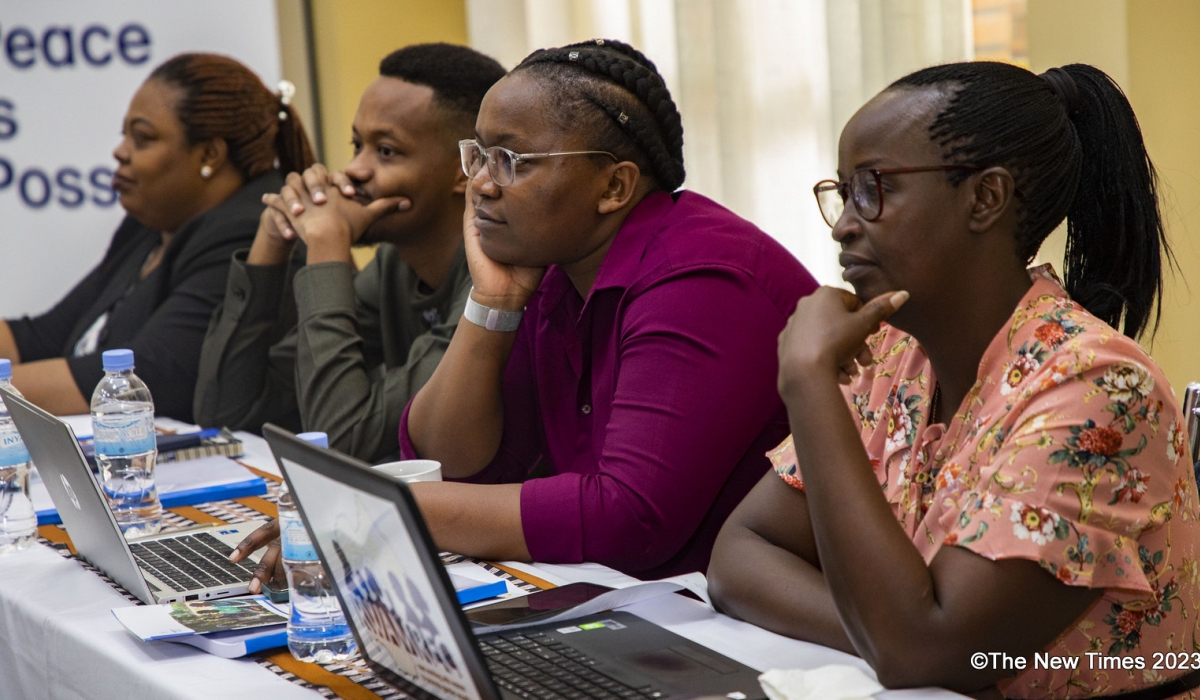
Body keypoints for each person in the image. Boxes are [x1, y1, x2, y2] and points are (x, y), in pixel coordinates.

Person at [231, 38, 817, 589]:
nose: (480, 184)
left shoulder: (701, 275)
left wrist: (375, 508)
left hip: (761, 636)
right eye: (478, 155)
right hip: (641, 604)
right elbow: (450, 464)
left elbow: (630, 516)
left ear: (613, 186)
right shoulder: (552, 266)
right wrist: (493, 302)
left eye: (511, 160)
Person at [707, 61, 1200, 699]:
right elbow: (740, 558)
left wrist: (808, 379)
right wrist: (878, 633)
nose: (844, 224)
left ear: (985, 198)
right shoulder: (892, 353)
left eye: (875, 187)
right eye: (844, 191)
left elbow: (930, 653)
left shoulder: (1100, 388)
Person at [193, 44, 505, 462]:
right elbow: (225, 416)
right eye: (357, 145)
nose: (355, 169)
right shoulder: (392, 267)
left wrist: (326, 250)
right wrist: (272, 241)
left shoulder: (495, 286)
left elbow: (344, 440)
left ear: (463, 168)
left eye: (386, 151)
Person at [0, 53, 313, 422]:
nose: (120, 152)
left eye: (143, 138)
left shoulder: (251, 230)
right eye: (125, 135)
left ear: (210, 153)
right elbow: (41, 338)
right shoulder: (153, 222)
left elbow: (147, 377)